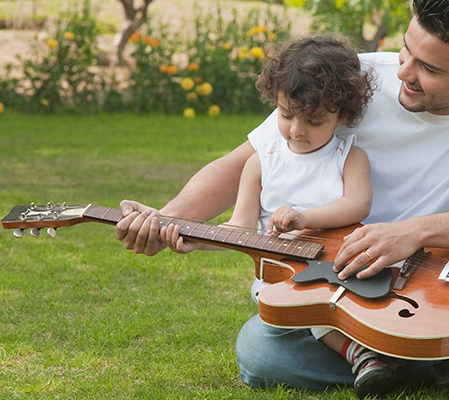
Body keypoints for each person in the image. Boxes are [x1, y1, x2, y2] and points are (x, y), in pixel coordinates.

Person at [115, 0, 449, 399]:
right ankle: (443, 362)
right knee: (260, 352)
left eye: (428, 68)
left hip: (444, 288)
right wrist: (167, 219)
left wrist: (413, 231)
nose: (403, 73)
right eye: (406, 50)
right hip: (343, 292)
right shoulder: (354, 79)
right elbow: (242, 163)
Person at [158, 35, 404, 398]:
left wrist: (305, 219)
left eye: (314, 120)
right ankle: (362, 356)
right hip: (283, 278)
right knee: (307, 304)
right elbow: (240, 227)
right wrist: (198, 240)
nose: (296, 130)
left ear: (344, 114)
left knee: (358, 299)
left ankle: (401, 350)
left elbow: (358, 204)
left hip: (342, 261)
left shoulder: (348, 156)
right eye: (286, 115)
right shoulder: (261, 163)